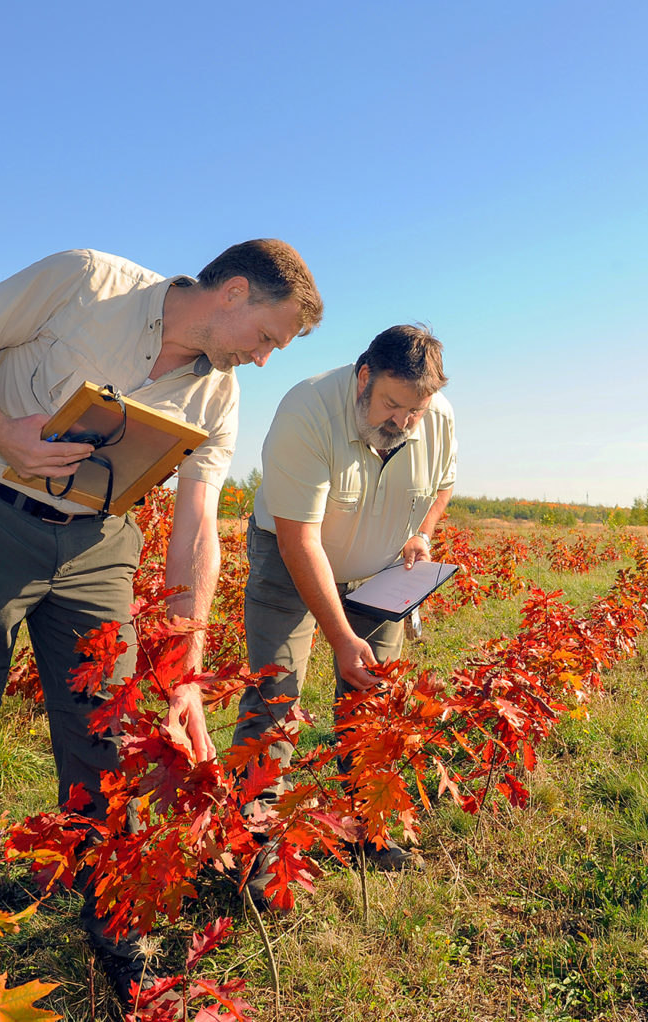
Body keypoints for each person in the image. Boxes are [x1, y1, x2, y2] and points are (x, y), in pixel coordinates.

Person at [0, 242, 321, 1020]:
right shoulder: (86, 281)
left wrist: (183, 669)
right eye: (268, 337)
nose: (262, 357)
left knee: (108, 748)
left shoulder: (215, 396)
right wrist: (1, 428)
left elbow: (196, 529)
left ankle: (118, 935)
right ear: (235, 292)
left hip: (99, 552)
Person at [234, 323, 455, 886]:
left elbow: (444, 483)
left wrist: (422, 532)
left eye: (415, 413)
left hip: (382, 573)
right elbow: (299, 539)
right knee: (275, 696)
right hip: (293, 562)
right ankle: (260, 843)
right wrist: (339, 634)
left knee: (371, 698)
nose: (402, 423)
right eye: (391, 405)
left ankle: (369, 827)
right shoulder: (307, 410)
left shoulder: (437, 418)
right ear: (363, 377)